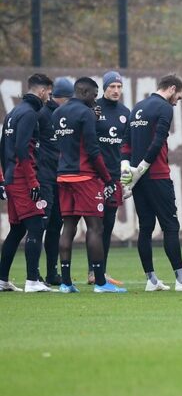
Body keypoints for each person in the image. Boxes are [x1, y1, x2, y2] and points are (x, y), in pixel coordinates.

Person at [121, 75, 182, 292]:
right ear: (171, 89)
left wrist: (128, 170)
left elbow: (125, 142)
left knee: (145, 228)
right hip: (157, 176)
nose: (177, 102)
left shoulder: (138, 107)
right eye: (178, 97)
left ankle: (151, 280)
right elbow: (157, 141)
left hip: (138, 179)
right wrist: (141, 169)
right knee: (170, 226)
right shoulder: (164, 108)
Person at [52, 77, 126, 293]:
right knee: (95, 228)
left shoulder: (57, 113)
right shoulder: (85, 114)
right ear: (84, 92)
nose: (95, 100)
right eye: (94, 95)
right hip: (85, 177)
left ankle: (66, 283)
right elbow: (93, 151)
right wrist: (107, 178)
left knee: (68, 228)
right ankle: (101, 282)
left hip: (63, 176)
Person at [0, 73, 54, 292]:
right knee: (35, 225)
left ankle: (2, 279)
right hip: (23, 179)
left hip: (12, 178)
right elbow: (23, 150)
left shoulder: (13, 112)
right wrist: (33, 183)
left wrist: (3, 180)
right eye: (49, 94)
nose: (49, 99)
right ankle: (32, 280)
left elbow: (3, 148)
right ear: (41, 91)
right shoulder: (30, 114)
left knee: (17, 230)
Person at [86, 71, 130, 287]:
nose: (116, 90)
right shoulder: (94, 110)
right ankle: (93, 272)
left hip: (114, 176)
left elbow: (126, 145)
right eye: (112, 86)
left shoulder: (125, 112)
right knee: (96, 224)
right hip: (95, 175)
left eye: (119, 87)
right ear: (104, 88)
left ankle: (101, 270)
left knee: (109, 223)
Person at [36, 77, 72, 286]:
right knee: (40, 225)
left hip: (61, 177)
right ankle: (34, 273)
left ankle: (51, 272)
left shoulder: (65, 115)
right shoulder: (41, 115)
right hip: (45, 178)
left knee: (56, 225)